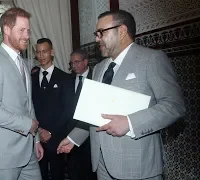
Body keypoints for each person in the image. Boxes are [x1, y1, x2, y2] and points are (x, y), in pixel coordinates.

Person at [57, 10, 185, 180]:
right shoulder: (99, 68)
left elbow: (174, 106)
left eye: (101, 32)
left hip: (138, 166)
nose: (96, 38)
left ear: (122, 30)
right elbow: (94, 113)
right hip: (102, 166)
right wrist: (74, 138)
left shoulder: (151, 59)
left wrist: (130, 123)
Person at [0, 7, 43, 180]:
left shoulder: (22, 62)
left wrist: (35, 139)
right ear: (6, 29)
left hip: (28, 151)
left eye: (28, 30)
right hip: (5, 156)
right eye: (21, 30)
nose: (27, 35)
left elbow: (28, 105)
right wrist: (26, 124)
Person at [32, 38, 71, 180]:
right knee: (38, 175)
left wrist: (50, 132)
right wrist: (39, 130)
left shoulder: (65, 78)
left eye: (45, 52)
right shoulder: (31, 79)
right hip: (36, 136)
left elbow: (68, 110)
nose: (41, 56)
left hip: (57, 137)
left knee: (57, 174)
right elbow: (30, 107)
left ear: (52, 52)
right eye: (38, 52)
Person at [63, 49, 97, 180]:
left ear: (86, 61)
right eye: (72, 63)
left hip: (91, 135)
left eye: (77, 62)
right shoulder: (67, 81)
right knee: (74, 171)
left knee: (90, 172)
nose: (74, 66)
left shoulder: (97, 78)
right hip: (71, 135)